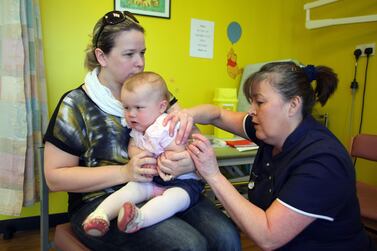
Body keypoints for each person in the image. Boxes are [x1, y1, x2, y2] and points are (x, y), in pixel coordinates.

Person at [43, 10, 240, 250]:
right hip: (99, 199)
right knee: (189, 245)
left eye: (142, 53)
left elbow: (192, 137)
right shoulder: (75, 104)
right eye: (129, 54)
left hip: (168, 185)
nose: (140, 62)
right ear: (101, 56)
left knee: (226, 236)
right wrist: (125, 172)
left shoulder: (153, 93)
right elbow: (54, 178)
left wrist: (188, 161)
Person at [166, 61, 377, 250]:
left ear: (293, 105)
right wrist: (186, 115)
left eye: (260, 102)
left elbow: (268, 236)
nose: (251, 111)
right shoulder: (272, 132)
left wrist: (213, 174)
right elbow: (217, 114)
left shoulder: (323, 162)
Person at [82, 71, 204, 236]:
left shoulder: (165, 126)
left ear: (161, 107)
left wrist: (165, 158)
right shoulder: (137, 126)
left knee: (175, 199)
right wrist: (138, 155)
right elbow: (132, 146)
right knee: (130, 189)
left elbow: (178, 149)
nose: (131, 113)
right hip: (151, 179)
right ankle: (100, 215)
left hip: (181, 183)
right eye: (126, 107)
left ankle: (140, 218)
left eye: (138, 108)